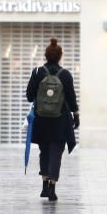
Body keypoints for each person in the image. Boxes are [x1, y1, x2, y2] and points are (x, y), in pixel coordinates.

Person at [26, 38, 79, 202]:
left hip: (42, 120)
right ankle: (52, 188)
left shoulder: (37, 72)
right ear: (60, 56)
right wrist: (76, 115)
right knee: (56, 152)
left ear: (46, 55)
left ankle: (43, 185)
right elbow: (71, 98)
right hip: (60, 120)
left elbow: (29, 97)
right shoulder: (66, 74)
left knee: (45, 151)